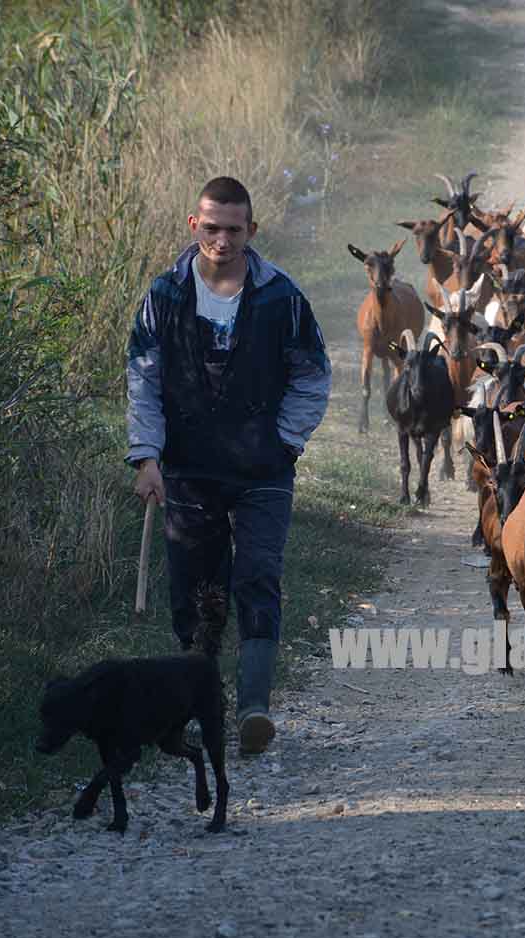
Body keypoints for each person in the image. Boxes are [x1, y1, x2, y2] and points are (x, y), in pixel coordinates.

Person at [125, 176, 331, 755]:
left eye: (233, 229)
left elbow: (313, 376)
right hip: (189, 472)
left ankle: (253, 709)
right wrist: (147, 456)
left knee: (258, 577)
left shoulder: (280, 298)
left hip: (263, 473)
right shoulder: (165, 296)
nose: (222, 239)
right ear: (195, 227)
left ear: (251, 231)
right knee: (196, 588)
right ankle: (199, 706)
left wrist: (285, 443)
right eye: (211, 227)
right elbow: (141, 376)